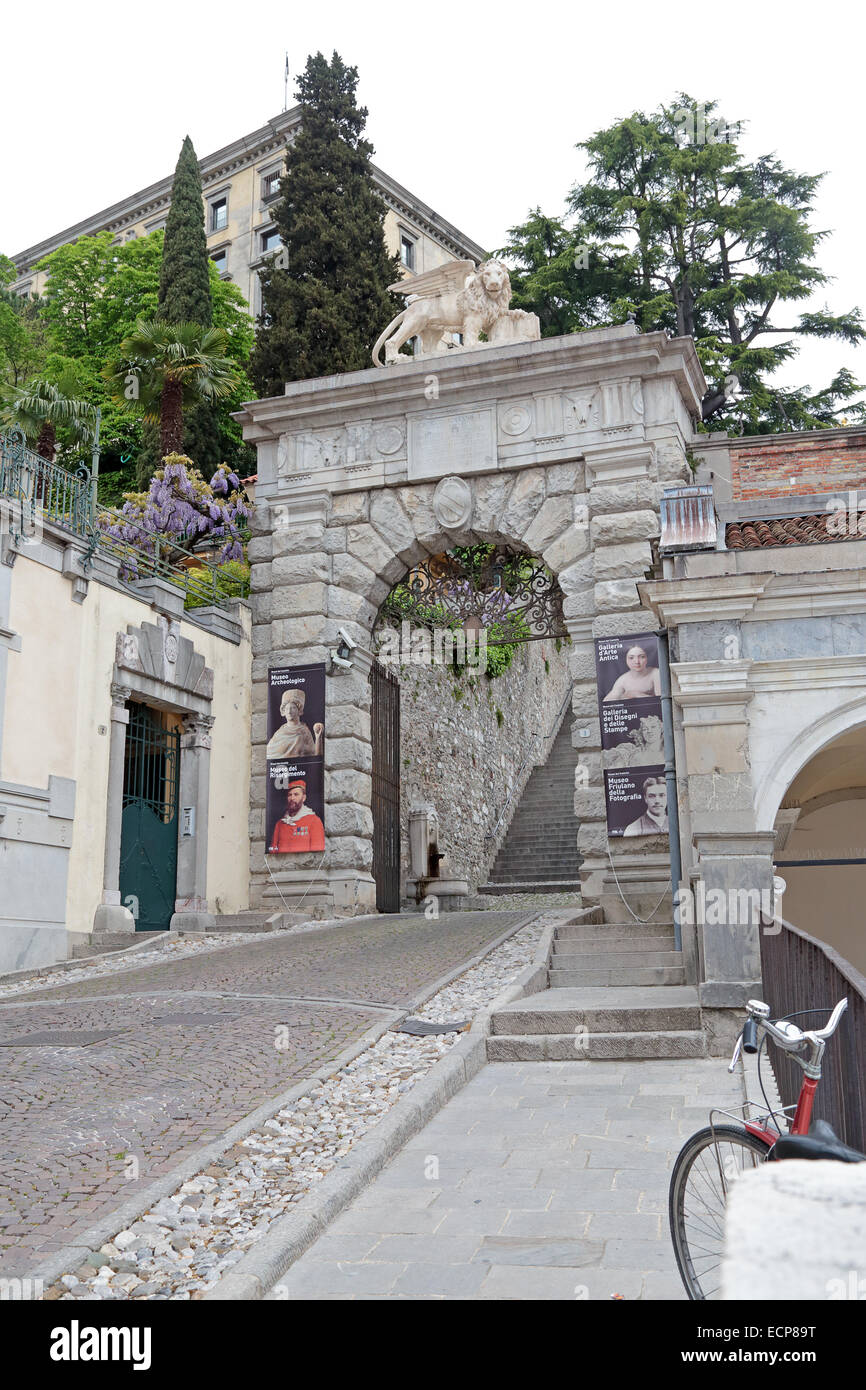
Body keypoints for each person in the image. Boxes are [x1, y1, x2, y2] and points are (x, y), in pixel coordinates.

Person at [268, 779, 325, 853]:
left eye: (296, 794)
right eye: (289, 795)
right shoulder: (279, 824)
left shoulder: (314, 821)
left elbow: (317, 854)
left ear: (304, 798)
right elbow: (272, 852)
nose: (292, 798)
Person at [266, 688, 324, 759]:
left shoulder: (304, 731)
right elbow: (269, 755)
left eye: (293, 708)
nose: (289, 712)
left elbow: (316, 757)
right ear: (283, 712)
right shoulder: (279, 733)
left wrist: (318, 738)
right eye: (287, 709)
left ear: (299, 711)